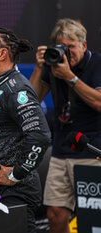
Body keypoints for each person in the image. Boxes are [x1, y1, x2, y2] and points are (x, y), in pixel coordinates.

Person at [0, 27, 51, 233]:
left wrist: (16, 173)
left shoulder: (16, 89)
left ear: (2, 54)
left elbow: (40, 135)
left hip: (17, 192)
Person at [30, 18, 101, 233]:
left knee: (94, 216)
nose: (66, 53)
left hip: (92, 151)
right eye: (62, 47)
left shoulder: (97, 63)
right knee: (55, 214)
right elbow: (31, 101)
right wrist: (39, 67)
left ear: (84, 45)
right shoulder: (54, 65)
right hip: (62, 151)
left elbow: (99, 102)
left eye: (71, 47)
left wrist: (70, 78)